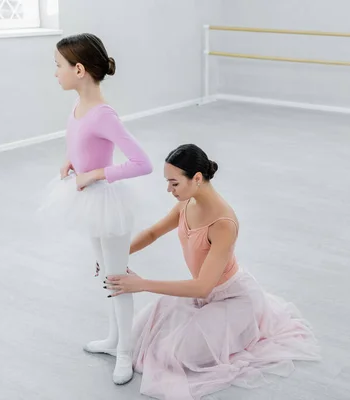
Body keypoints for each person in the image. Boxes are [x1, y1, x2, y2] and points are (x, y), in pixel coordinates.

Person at [103, 144, 321, 399]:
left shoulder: (223, 223)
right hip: (201, 292)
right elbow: (152, 233)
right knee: (143, 331)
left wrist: (141, 283)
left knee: (173, 355)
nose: (168, 190)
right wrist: (115, 257)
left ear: (196, 178)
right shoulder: (186, 204)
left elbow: (203, 287)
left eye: (174, 183)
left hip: (231, 298)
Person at [38, 33, 153, 385]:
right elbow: (79, 140)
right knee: (106, 271)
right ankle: (114, 338)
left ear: (79, 69)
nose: (54, 73)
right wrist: (71, 160)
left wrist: (98, 172)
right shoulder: (76, 106)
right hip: (88, 200)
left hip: (108, 201)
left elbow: (142, 163)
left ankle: (125, 353)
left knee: (118, 279)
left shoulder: (105, 114)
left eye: (58, 66)